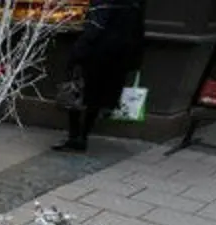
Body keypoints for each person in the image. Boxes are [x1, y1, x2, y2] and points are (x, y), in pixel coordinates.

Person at [55, 0, 147, 151]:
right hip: (118, 59)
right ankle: (83, 136)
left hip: (94, 56)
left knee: (76, 94)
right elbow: (138, 33)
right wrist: (134, 61)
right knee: (96, 101)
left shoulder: (102, 3)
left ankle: (74, 137)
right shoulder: (135, 4)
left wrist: (76, 55)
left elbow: (94, 29)